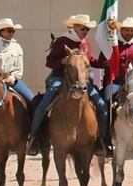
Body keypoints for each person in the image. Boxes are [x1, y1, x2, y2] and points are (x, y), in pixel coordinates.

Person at [30, 14, 95, 153]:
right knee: (44, 104)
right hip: (60, 78)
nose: (85, 32)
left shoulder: (86, 43)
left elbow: (91, 60)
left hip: (82, 80)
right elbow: (49, 61)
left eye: (87, 29)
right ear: (75, 26)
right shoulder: (61, 41)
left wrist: (106, 62)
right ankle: (34, 137)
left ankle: (100, 140)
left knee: (100, 103)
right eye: (83, 28)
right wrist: (62, 61)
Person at [0, 18, 35, 149]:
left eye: (13, 30)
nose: (12, 32)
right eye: (9, 30)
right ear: (1, 31)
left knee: (32, 100)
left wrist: (13, 77)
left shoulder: (17, 47)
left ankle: (33, 136)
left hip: (12, 81)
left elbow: (19, 67)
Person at [97, 17, 133, 149]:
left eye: (132, 30)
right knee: (106, 104)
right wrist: (106, 64)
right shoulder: (112, 44)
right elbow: (101, 60)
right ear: (121, 30)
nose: (129, 33)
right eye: (126, 30)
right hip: (114, 81)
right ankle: (105, 138)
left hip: (132, 82)